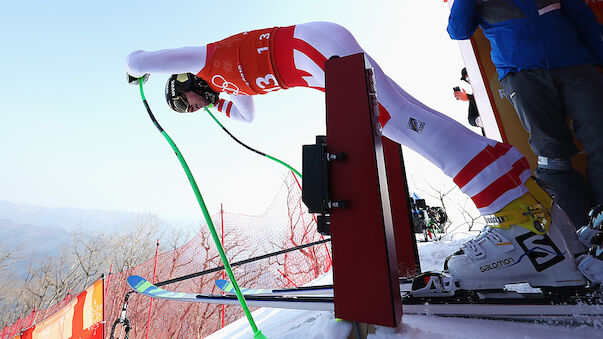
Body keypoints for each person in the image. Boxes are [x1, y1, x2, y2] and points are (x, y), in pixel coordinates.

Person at [126, 21, 601, 289]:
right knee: (410, 117)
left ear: (186, 82)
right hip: (313, 53)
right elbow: (245, 113)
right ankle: (532, 208)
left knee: (400, 123)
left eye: (183, 102)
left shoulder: (206, 59)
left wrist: (136, 70)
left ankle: (517, 223)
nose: (188, 109)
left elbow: (145, 59)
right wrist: (219, 106)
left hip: (310, 52)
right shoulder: (226, 82)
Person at [448, 0, 603, 231]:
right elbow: (458, 30)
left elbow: (583, 17)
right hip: (521, 74)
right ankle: (580, 232)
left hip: (575, 64)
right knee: (552, 154)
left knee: (600, 137)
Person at [453, 67, 484, 135]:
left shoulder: (489, 82)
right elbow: (471, 119)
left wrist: (468, 97)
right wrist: (479, 121)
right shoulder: (475, 95)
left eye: (469, 76)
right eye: (467, 78)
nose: (469, 80)